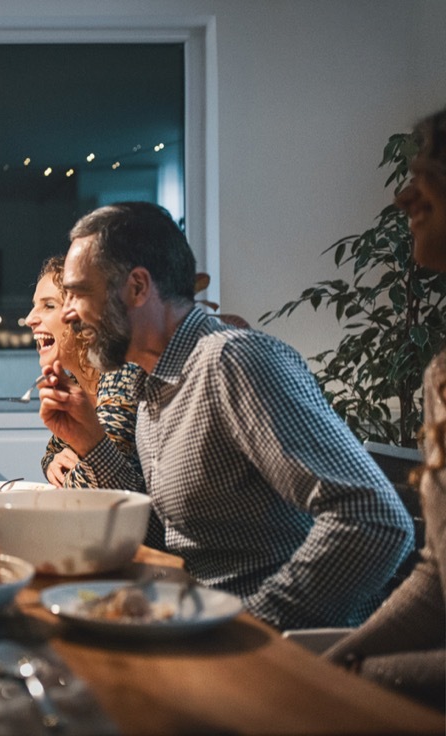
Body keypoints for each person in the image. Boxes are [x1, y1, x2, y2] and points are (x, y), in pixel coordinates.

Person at [38, 201, 415, 630]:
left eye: (80, 293)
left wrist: (251, 625)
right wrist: (91, 442)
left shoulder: (233, 362)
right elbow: (173, 540)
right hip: (195, 620)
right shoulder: (152, 387)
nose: (68, 314)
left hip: (283, 646)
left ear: (138, 287)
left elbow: (375, 518)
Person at [325, 107, 446, 709]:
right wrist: (332, 664)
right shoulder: (442, 375)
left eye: (424, 173)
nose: (402, 196)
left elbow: (377, 521)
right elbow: (437, 577)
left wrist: (358, 680)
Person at [27, 256, 143, 487]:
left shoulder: (120, 372)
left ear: (83, 316)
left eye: (48, 305)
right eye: (34, 305)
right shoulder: (78, 382)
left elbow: (92, 484)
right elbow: (52, 453)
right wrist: (52, 462)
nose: (30, 319)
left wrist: (71, 469)